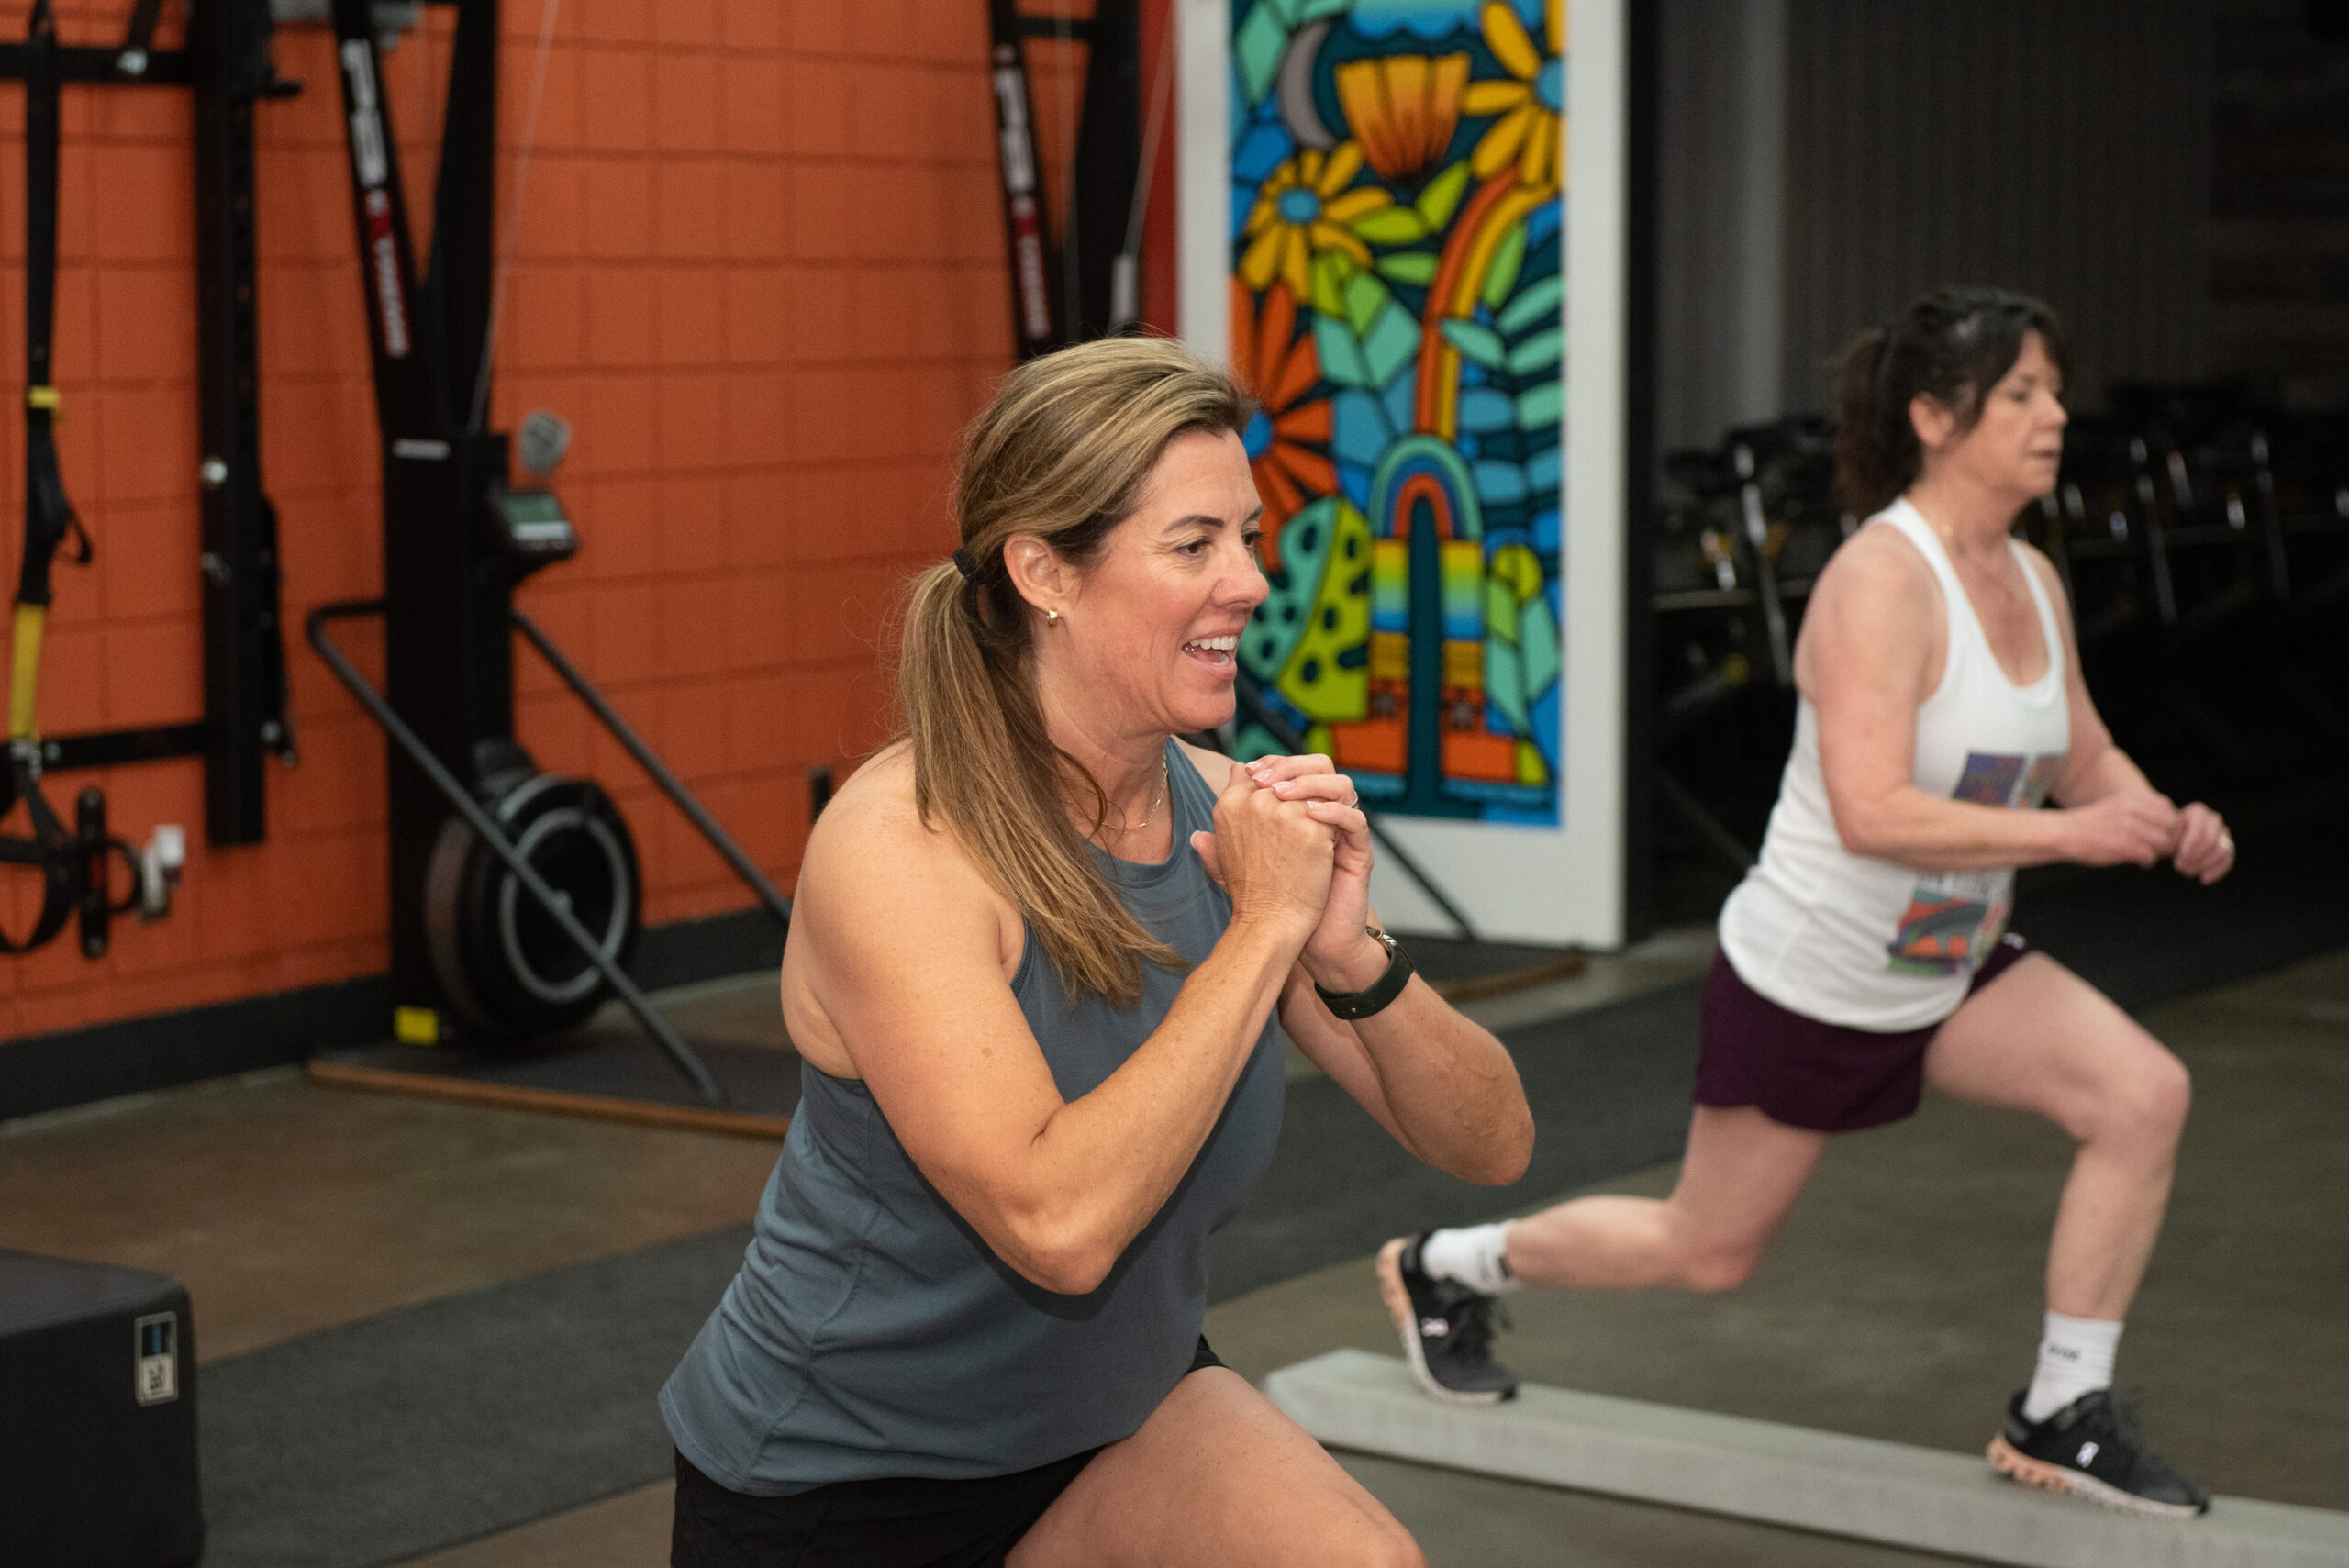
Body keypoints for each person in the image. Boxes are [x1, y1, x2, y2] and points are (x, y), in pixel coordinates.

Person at [661, 338, 1535, 1568]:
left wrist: (1350, 957)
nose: (1249, 582)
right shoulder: (904, 845)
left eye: (1248, 538)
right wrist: (1265, 929)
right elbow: (1057, 1224)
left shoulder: (1226, 817)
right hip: (848, 1479)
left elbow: (1492, 1142)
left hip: (1117, 1417)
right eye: (1194, 545)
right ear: (1044, 572)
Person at [1381, 287, 2232, 1519]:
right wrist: (2073, 836)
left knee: (2143, 1095)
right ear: (1934, 417)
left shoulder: (2033, 579)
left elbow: (2084, 755)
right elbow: (1872, 809)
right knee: (1705, 1251)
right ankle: (1447, 1265)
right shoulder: (1879, 580)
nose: (2055, 415)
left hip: (1950, 961)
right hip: (1814, 973)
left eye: (2054, 390)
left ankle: (2061, 1406)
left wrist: (2159, 817)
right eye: (2021, 394)